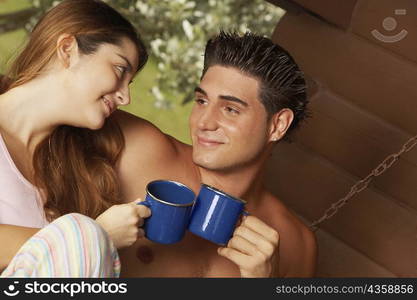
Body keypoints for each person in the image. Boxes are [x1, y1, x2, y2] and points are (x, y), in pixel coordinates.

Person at [114, 31, 317, 277]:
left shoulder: (297, 244)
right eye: (201, 101)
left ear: (277, 125)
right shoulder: (140, 149)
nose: (204, 122)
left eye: (230, 109)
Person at [0, 0, 150, 277]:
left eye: (129, 83)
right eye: (119, 70)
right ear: (67, 49)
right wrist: (97, 235)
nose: (125, 97)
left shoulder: (67, 171)